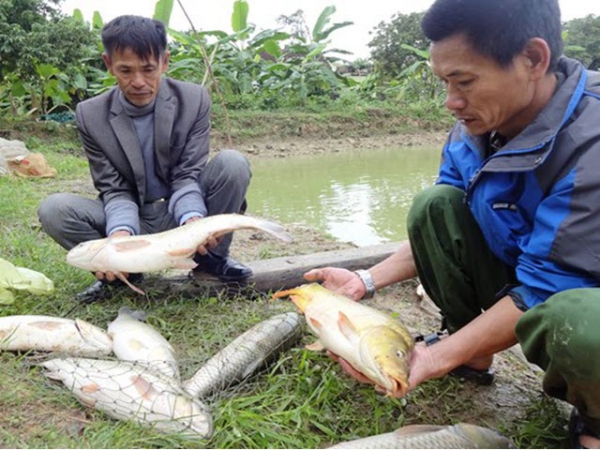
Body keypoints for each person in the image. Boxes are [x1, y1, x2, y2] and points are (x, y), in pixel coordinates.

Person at [304, 0, 600, 447]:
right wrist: (365, 281)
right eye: (444, 83)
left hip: (582, 294)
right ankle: (472, 350)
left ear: (533, 59)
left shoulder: (592, 139)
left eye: (464, 82)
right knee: (435, 204)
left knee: (578, 321)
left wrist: (431, 359)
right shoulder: (474, 126)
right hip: (537, 274)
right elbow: (443, 225)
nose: (450, 102)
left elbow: (550, 284)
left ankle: (595, 417)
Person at [38, 15, 253, 303]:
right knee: (54, 209)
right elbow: (114, 189)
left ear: (164, 62)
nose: (138, 82)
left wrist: (194, 222)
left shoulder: (194, 99)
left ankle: (210, 259)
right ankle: (126, 272)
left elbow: (186, 176)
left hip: (179, 212)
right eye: (125, 70)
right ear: (108, 63)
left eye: (149, 69)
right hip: (133, 216)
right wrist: (120, 238)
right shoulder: (90, 115)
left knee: (233, 163)